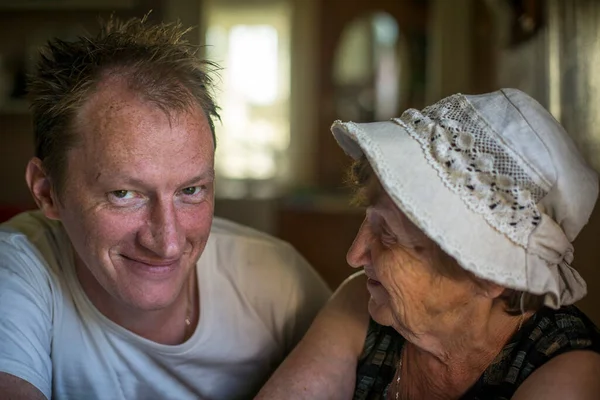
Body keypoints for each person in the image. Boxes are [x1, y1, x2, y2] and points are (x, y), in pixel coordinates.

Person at [0, 16, 331, 400]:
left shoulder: (278, 281)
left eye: (191, 190)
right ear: (47, 193)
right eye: (124, 194)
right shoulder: (18, 269)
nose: (168, 242)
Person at [256, 88, 600, 400]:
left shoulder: (567, 373)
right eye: (369, 219)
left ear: (489, 276)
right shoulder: (362, 303)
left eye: (388, 235)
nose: (354, 255)